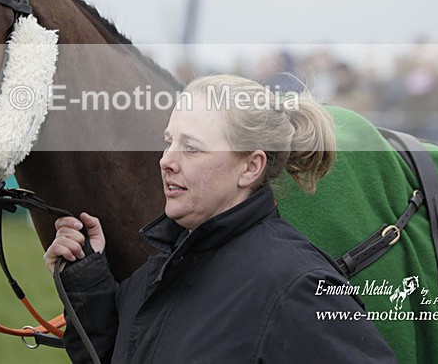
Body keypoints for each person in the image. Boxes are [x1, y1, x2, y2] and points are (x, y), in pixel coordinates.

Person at [44, 74, 396, 363]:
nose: (166, 160)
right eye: (169, 141)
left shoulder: (299, 288)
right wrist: (86, 280)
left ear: (250, 167)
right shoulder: (156, 275)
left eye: (192, 147)